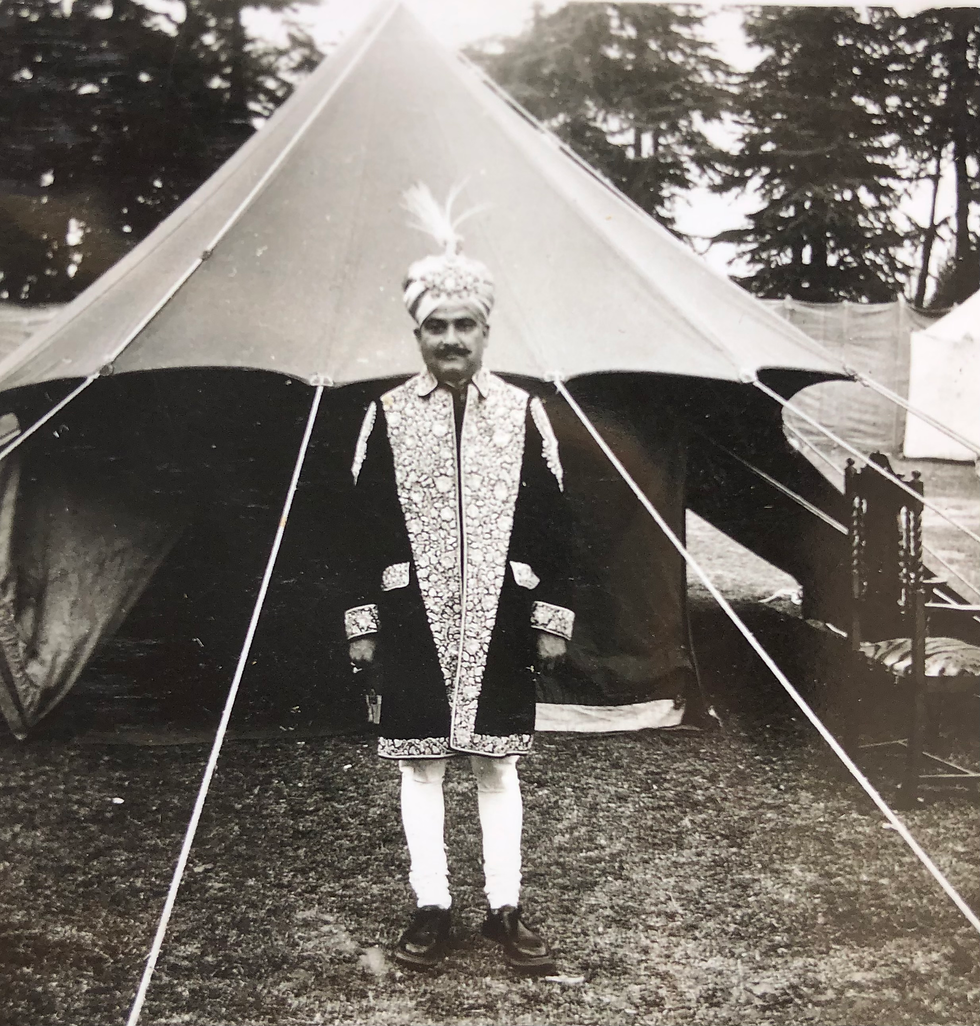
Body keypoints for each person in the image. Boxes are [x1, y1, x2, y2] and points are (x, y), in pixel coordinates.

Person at [343, 185, 575, 975]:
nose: (450, 339)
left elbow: (556, 526)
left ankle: (505, 910)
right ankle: (432, 907)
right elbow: (356, 530)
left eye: (463, 326)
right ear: (417, 332)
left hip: (501, 615)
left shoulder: (524, 412)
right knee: (421, 765)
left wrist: (549, 616)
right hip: (414, 619)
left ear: (486, 331)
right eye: (435, 326)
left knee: (497, 764)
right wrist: (364, 625)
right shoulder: (384, 414)